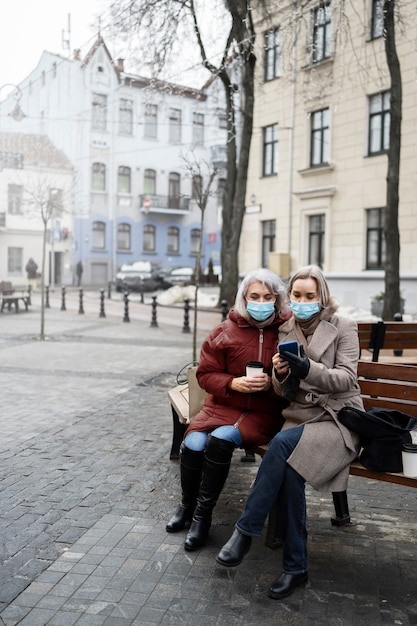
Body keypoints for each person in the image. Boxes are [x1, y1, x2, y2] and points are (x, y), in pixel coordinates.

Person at [217, 265, 364, 600]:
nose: (302, 302)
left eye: (309, 296)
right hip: (301, 418)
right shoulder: (286, 328)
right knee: (289, 473)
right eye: (296, 295)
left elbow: (347, 379)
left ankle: (245, 531)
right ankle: (296, 567)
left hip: (338, 418)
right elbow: (285, 393)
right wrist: (282, 375)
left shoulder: (344, 326)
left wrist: (306, 367)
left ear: (322, 297)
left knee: (281, 444)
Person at [166, 268, 291, 551]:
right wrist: (234, 383)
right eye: (254, 296)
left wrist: (273, 383)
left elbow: (296, 379)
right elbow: (205, 375)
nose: (261, 302)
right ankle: (187, 505)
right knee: (195, 441)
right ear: (244, 298)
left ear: (276, 299)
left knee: (222, 439)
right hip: (222, 406)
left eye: (267, 297)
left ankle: (202, 517)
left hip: (263, 413)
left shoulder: (286, 331)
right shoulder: (224, 331)